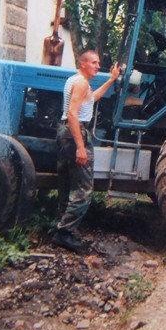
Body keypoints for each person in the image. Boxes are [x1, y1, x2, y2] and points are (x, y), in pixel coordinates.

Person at [52, 50, 121, 252]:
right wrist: (81, 146)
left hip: (65, 132)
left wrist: (111, 80)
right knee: (83, 187)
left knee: (66, 182)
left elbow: (92, 99)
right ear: (83, 64)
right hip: (75, 132)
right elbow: (73, 114)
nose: (97, 66)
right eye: (93, 63)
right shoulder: (81, 83)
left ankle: (60, 227)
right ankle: (65, 232)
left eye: (98, 62)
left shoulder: (77, 81)